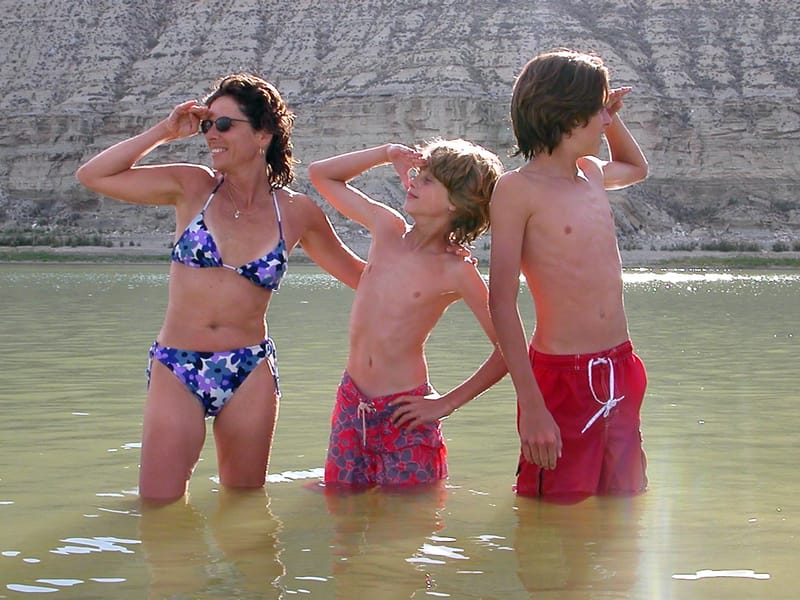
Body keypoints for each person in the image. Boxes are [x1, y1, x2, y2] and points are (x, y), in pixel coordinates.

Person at [76, 73, 364, 503]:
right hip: (178, 365)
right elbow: (93, 175)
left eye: (224, 125)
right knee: (158, 505)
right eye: (208, 124)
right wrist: (165, 131)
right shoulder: (192, 186)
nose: (211, 134)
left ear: (263, 133)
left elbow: (362, 277)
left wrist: (438, 265)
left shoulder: (296, 213)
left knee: (246, 507)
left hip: (248, 370)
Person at [488, 50, 650, 499]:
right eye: (597, 110)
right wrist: (532, 406)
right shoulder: (517, 190)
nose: (604, 119)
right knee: (554, 512)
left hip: (619, 366)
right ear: (565, 114)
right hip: (560, 379)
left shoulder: (592, 173)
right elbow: (500, 301)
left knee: (624, 501)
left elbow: (638, 168)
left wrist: (611, 116)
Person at [308, 139, 508, 487]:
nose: (415, 180)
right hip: (351, 403)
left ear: (456, 202)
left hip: (407, 413)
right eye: (420, 173)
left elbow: (508, 348)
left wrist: (445, 403)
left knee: (409, 524)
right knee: (341, 514)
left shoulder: (456, 270)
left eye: (429, 180)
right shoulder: (386, 228)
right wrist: (386, 154)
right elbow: (321, 175)